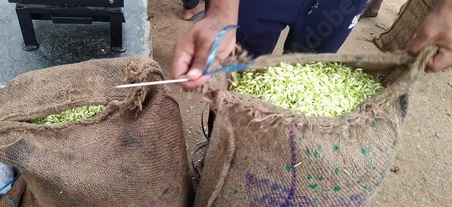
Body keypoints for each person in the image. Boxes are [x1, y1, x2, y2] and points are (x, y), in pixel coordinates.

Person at [172, 0, 452, 91]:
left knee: (305, 79)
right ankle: (222, 149)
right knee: (235, 79)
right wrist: (222, 10)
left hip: (338, 5)